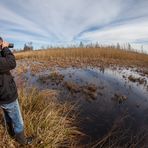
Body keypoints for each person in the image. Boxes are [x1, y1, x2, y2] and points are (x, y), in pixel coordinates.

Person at [0, 37, 32, 145]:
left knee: (8, 117)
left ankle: (11, 134)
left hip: (2, 96)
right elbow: (11, 63)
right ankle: (23, 142)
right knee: (18, 122)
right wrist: (5, 48)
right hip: (7, 95)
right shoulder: (3, 51)